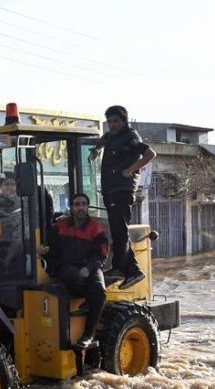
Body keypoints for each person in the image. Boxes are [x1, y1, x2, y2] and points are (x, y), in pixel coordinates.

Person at [96, 105, 157, 289]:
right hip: (111, 189)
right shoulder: (112, 137)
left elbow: (150, 153)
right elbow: (104, 140)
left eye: (116, 121)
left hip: (121, 190)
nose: (112, 125)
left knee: (119, 231)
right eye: (110, 121)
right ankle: (133, 271)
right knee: (117, 231)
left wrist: (130, 170)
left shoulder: (130, 136)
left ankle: (119, 269)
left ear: (124, 121)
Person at [40, 192, 108, 349]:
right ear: (71, 207)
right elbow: (54, 249)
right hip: (66, 265)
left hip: (89, 265)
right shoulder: (61, 226)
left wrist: (89, 268)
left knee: (99, 290)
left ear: (87, 206)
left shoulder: (96, 228)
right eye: (77, 204)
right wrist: (44, 251)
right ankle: (90, 302)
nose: (81, 207)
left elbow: (102, 253)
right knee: (71, 276)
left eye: (83, 204)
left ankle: (89, 334)